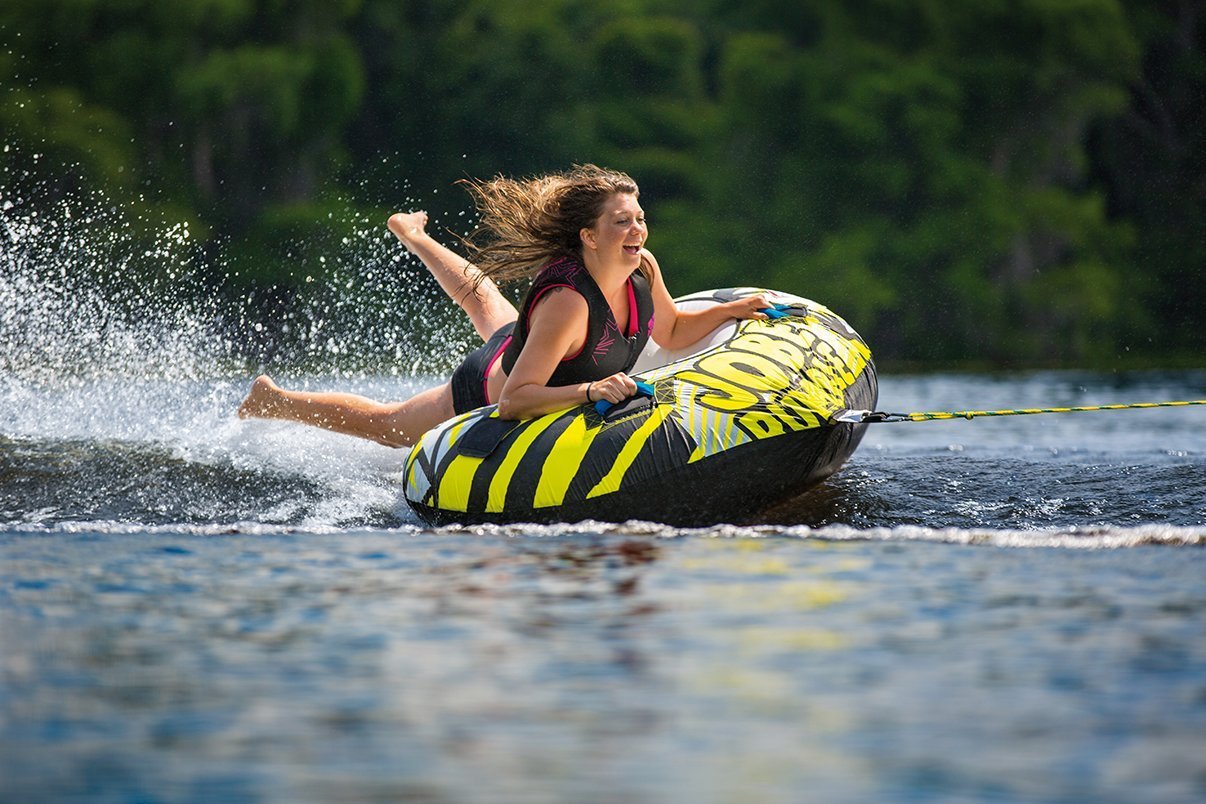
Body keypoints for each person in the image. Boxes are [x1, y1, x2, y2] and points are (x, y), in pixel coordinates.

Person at [238, 164, 768, 447]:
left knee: (489, 305)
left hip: (546, 346)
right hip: (491, 382)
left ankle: (416, 238)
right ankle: (275, 400)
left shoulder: (642, 267)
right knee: (390, 425)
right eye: (622, 221)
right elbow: (516, 401)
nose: (638, 229)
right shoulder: (567, 306)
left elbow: (672, 330)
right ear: (589, 235)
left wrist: (731, 311)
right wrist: (592, 390)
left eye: (640, 217)